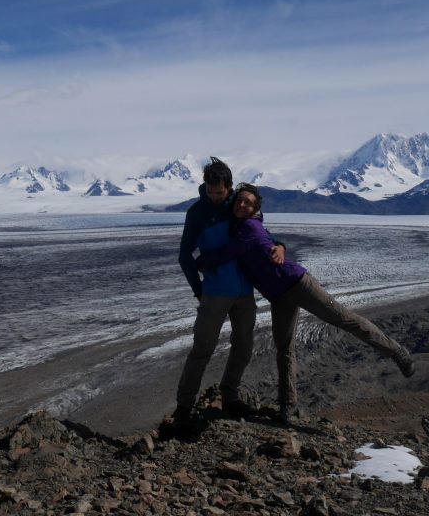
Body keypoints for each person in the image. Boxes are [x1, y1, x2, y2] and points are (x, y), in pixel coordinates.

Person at [195, 183, 415, 423]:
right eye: (239, 200)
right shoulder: (242, 225)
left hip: (298, 284)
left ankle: (396, 351)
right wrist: (280, 245)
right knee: (284, 347)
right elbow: (268, 238)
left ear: (254, 209)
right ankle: (288, 405)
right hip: (279, 296)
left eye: (247, 202)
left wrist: (197, 260)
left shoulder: (248, 227)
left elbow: (225, 254)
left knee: (343, 318)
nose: (242, 204)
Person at [174, 158, 285, 426]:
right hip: (214, 293)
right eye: (210, 192)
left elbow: (262, 234)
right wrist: (199, 291)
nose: (214, 197)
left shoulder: (240, 205)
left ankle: (230, 397)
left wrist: (280, 245)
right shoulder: (197, 213)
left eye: (219, 192)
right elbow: (184, 256)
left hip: (244, 292)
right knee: (202, 350)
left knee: (244, 347)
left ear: (229, 187)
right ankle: (184, 407)